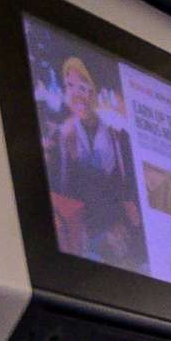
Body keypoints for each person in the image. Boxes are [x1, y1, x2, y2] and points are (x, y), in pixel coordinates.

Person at [45, 55, 143, 267]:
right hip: (76, 241)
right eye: (70, 85)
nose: (76, 94)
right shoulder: (61, 136)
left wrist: (118, 224)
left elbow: (126, 192)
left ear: (96, 90)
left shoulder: (118, 135)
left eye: (83, 86)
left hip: (116, 233)